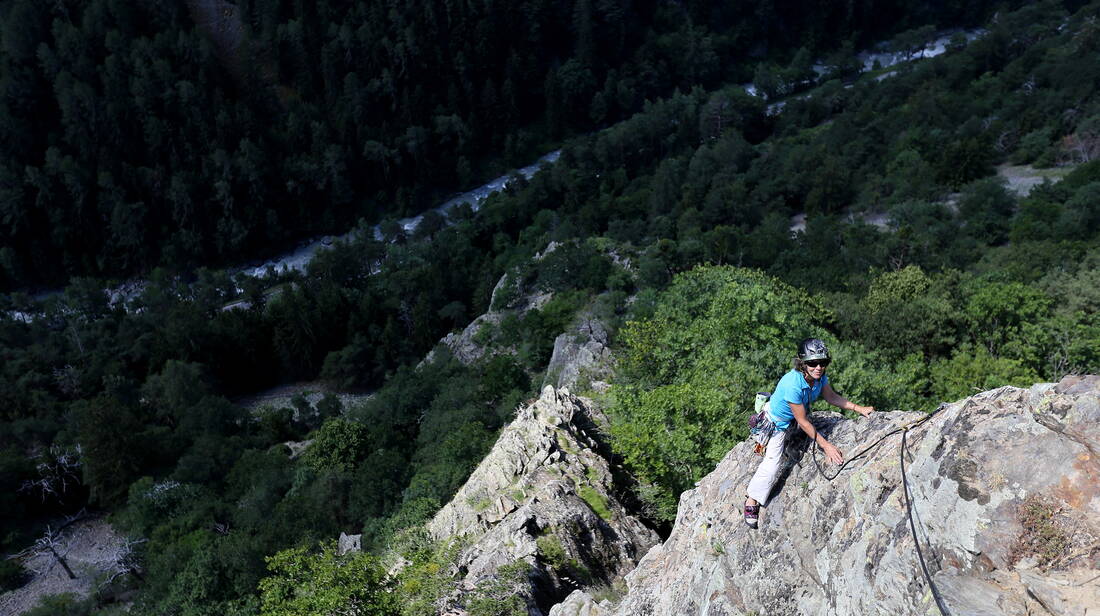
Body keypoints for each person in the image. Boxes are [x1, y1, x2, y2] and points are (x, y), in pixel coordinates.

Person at [743, 338, 874, 529]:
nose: (818, 367)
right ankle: (752, 499)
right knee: (773, 462)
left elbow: (831, 397)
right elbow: (804, 422)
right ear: (803, 363)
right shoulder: (792, 384)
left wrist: (858, 408)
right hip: (776, 423)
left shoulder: (820, 378)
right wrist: (826, 446)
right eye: (813, 363)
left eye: (823, 362)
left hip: (794, 419)